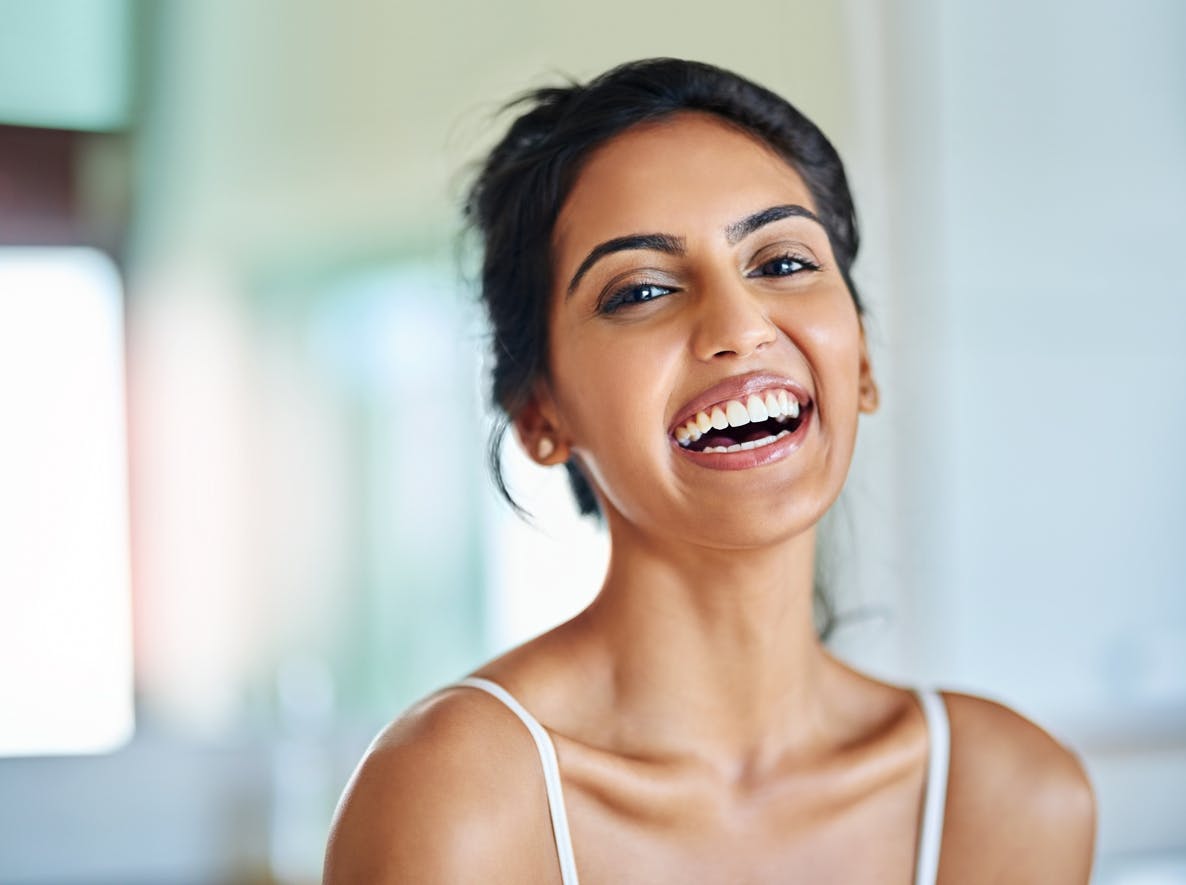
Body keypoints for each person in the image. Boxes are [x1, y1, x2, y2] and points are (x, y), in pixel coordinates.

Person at [323, 58, 1096, 883]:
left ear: (862, 360)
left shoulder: (1013, 797)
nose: (739, 326)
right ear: (540, 415)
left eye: (784, 263)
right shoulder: (457, 800)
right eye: (641, 290)